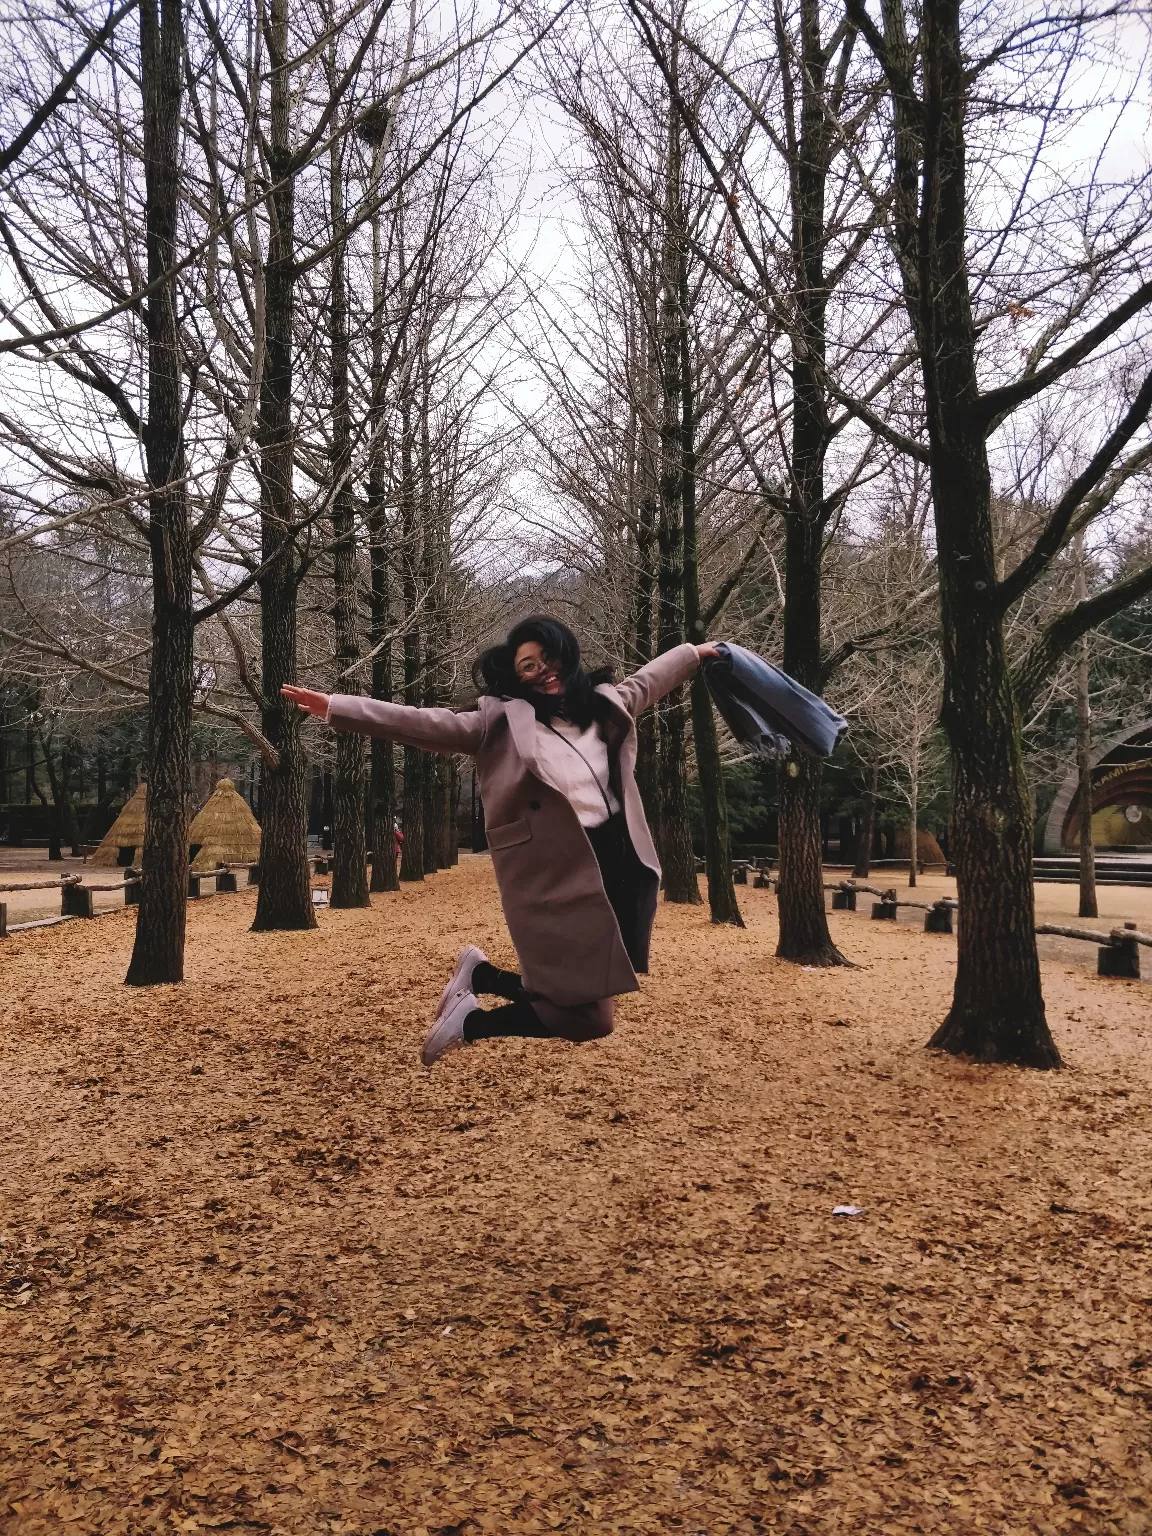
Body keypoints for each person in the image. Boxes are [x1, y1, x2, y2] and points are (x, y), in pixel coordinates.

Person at [282, 617, 718, 1066]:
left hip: (615, 870)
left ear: (566, 656)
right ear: (516, 678)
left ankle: (482, 978)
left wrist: (696, 653)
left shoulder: (608, 704)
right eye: (528, 667)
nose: (543, 670)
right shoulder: (500, 724)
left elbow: (651, 679)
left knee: (579, 998)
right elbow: (419, 723)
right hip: (550, 875)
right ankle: (472, 1021)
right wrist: (336, 707)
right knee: (592, 1019)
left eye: (548, 658)